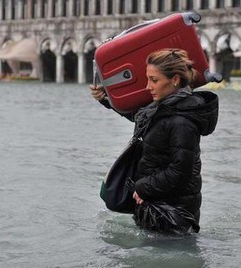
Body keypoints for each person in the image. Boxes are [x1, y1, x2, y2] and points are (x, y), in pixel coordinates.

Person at [90, 48, 218, 232]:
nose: (148, 86)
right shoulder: (162, 108)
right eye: (148, 79)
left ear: (174, 80)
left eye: (154, 80)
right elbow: (140, 118)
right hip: (157, 207)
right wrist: (107, 99)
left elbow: (181, 172)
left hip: (173, 215)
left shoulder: (183, 121)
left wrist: (142, 188)